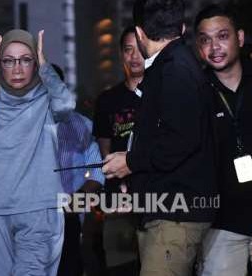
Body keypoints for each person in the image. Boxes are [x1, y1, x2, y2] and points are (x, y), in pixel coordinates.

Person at [102, 0, 217, 275]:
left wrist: (130, 162)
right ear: (182, 27)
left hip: (175, 216)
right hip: (164, 211)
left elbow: (180, 141)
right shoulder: (170, 66)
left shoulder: (175, 70)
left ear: (140, 34)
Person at [0, 29, 76, 275]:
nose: (17, 68)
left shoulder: (46, 96)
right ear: (0, 64)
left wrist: (44, 65)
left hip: (38, 209)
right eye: (8, 61)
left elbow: (66, 105)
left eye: (26, 60)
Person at [193, 5, 252, 276]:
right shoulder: (194, 90)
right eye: (205, 40)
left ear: (240, 38)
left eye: (222, 36)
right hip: (221, 221)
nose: (214, 47)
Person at [93, 26, 144, 276]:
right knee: (120, 267)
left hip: (160, 198)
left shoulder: (166, 95)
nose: (135, 56)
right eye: (128, 50)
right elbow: (106, 153)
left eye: (140, 49)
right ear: (121, 54)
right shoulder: (107, 100)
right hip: (119, 199)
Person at [51, 64, 104, 276]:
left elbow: (97, 172)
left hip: (70, 217)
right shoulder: (22, 126)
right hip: (31, 217)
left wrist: (74, 203)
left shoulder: (83, 125)